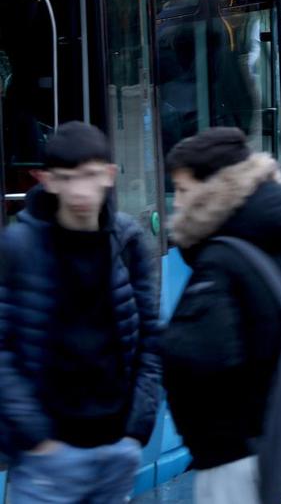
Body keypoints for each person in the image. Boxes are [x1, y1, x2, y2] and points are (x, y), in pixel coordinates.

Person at [0, 122, 161, 503]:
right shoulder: (19, 247)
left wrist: (135, 430)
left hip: (116, 454)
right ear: (45, 180)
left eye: (89, 176)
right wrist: (36, 437)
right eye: (66, 179)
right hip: (47, 463)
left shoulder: (128, 240)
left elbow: (152, 340)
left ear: (109, 175)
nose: (79, 191)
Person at [159, 127, 281, 503]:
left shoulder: (222, 259)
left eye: (184, 190)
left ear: (213, 189)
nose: (176, 203)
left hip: (233, 455)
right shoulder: (280, 244)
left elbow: (199, 358)